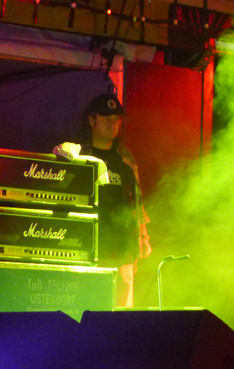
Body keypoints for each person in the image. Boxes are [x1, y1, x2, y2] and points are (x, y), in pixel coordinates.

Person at [78, 92, 151, 307]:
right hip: (88, 249)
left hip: (122, 251)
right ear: (92, 120)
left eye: (116, 118)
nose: (113, 123)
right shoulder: (80, 155)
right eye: (107, 118)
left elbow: (136, 201)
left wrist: (143, 236)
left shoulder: (124, 158)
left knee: (121, 312)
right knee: (88, 307)